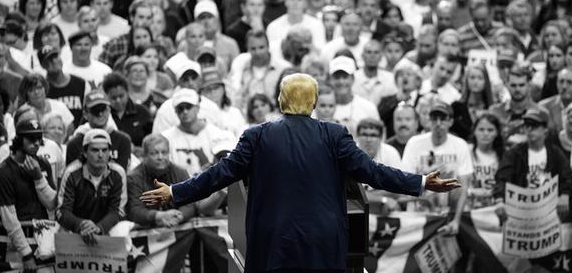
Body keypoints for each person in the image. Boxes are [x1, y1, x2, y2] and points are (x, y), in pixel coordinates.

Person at [140, 73, 460, 272]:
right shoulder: (334, 134)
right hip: (323, 243)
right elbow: (372, 172)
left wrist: (175, 191)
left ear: (281, 100)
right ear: (315, 101)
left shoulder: (257, 135)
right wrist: (420, 182)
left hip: (272, 243)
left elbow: (219, 174)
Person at [0, 119, 57, 272]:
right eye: (31, 139)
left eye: (39, 138)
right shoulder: (2, 173)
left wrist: (38, 178)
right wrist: (26, 255)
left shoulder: (42, 165)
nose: (36, 143)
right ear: (19, 140)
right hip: (15, 248)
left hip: (43, 243)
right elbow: (9, 219)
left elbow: (52, 204)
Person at [401, 101, 472, 234]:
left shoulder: (460, 145)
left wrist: (456, 221)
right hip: (419, 213)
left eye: (443, 119)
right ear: (429, 120)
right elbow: (405, 182)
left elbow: (464, 188)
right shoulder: (414, 143)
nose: (438, 123)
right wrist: (426, 175)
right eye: (434, 118)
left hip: (447, 212)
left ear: (451, 121)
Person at [494, 108, 572, 222]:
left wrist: (565, 194)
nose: (530, 129)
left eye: (535, 126)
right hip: (521, 212)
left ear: (545, 129)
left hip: (547, 214)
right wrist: (499, 200)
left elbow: (567, 177)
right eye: (527, 125)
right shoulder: (514, 153)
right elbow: (502, 178)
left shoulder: (555, 153)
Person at [58, 129, 127, 244]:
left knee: (122, 228)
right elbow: (62, 211)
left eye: (105, 150)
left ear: (110, 152)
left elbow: (118, 211)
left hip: (106, 227)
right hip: (77, 227)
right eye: (95, 150)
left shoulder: (118, 173)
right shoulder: (71, 173)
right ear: (85, 153)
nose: (100, 155)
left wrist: (99, 228)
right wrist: (80, 224)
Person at [127, 134, 199, 228]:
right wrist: (158, 216)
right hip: (146, 230)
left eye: (164, 152)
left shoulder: (180, 173)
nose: (160, 157)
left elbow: (190, 204)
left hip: (177, 226)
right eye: (154, 153)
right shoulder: (133, 178)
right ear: (145, 156)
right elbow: (135, 210)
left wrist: (179, 216)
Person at [162, 88, 237, 177]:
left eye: (188, 107)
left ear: (197, 107)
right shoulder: (166, 138)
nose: (185, 111)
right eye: (180, 108)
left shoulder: (219, 134)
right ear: (175, 111)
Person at [66, 89, 133, 170]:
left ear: (109, 110)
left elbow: (122, 173)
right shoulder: (75, 143)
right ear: (85, 114)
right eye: (95, 110)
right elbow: (72, 176)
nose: (100, 114)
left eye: (103, 109)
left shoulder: (123, 141)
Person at [102, 72, 153, 153]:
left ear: (127, 92)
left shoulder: (142, 112)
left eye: (121, 96)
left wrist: (139, 150)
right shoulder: (100, 114)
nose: (118, 101)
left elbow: (152, 141)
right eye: (113, 98)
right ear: (106, 96)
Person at [467, 113, 504, 208]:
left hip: (495, 207)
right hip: (469, 207)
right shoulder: (465, 152)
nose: (485, 133)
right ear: (474, 131)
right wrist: (471, 191)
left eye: (490, 130)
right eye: (481, 129)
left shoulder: (504, 155)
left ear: (497, 132)